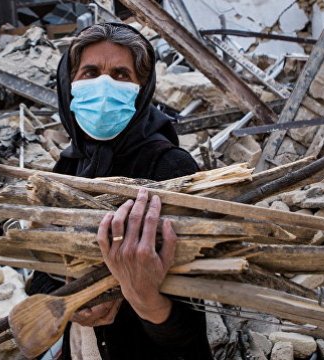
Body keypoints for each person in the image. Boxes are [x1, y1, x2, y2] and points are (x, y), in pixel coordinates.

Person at [25, 23, 212, 360]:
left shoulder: (170, 170)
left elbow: (194, 328)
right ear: (69, 85)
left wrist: (144, 298)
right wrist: (73, 302)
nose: (105, 85)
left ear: (142, 90)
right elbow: (39, 273)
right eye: (91, 72)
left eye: (122, 74)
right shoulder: (65, 171)